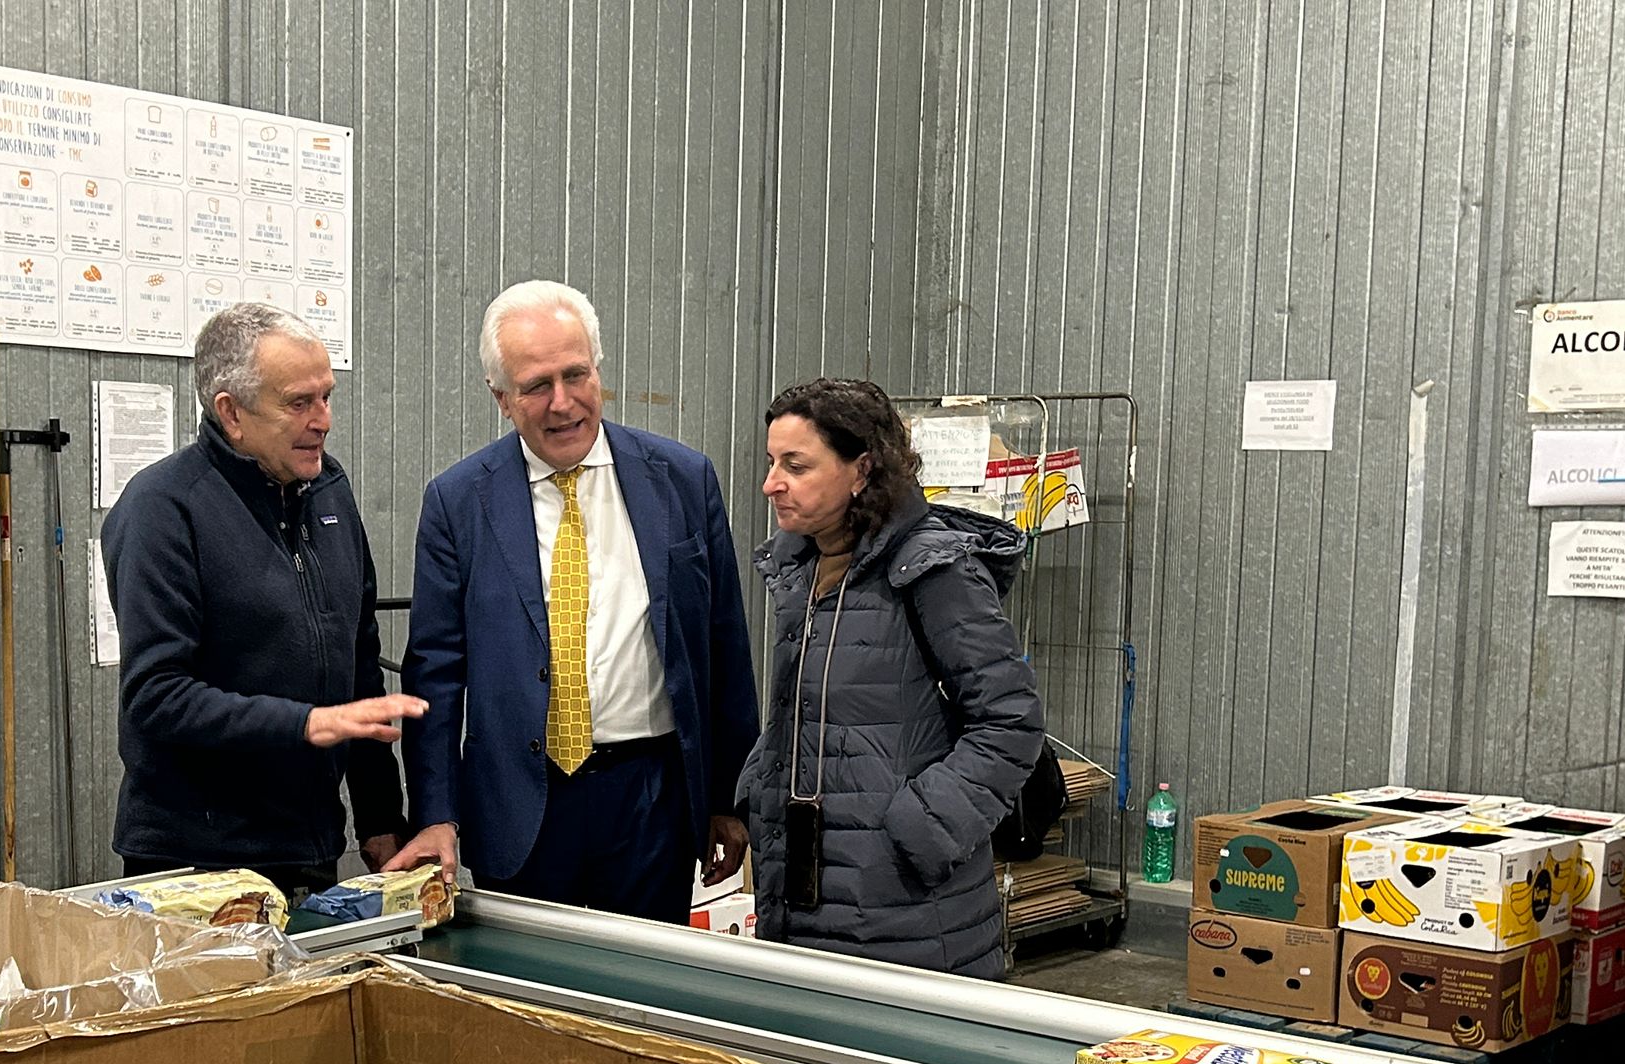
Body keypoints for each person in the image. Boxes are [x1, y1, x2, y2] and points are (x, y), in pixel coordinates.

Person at [387, 280, 759, 923]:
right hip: (522, 802)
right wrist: (436, 814)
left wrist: (730, 799)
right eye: (536, 386)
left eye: (576, 375)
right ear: (500, 398)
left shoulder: (683, 479)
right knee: (526, 1004)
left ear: (597, 369)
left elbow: (724, 644)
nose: (563, 403)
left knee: (644, 997)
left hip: (654, 801)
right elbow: (436, 671)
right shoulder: (458, 501)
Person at [102, 305, 422, 901]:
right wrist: (308, 723)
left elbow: (359, 671)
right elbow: (157, 696)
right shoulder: (162, 510)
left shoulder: (330, 493)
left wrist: (380, 822)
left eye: (327, 397)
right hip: (195, 865)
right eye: (300, 403)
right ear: (231, 413)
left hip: (310, 853)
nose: (323, 420)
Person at [740, 378, 1044, 976]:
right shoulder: (800, 567)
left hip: (904, 905)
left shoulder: (936, 570)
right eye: (772, 463)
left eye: (795, 465)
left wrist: (917, 828)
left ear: (861, 470)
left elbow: (1010, 723)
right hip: (802, 887)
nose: (771, 483)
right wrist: (759, 790)